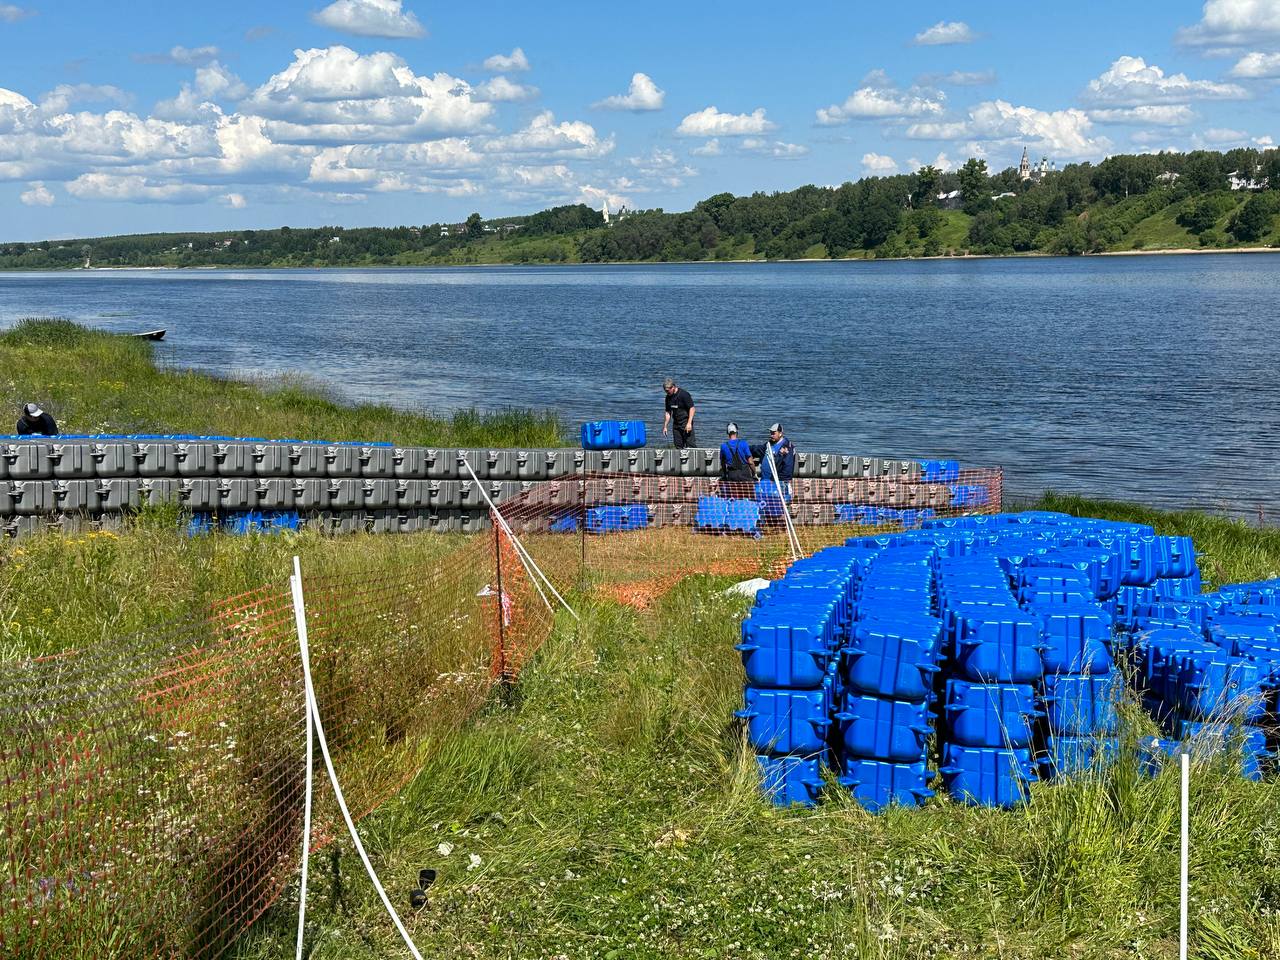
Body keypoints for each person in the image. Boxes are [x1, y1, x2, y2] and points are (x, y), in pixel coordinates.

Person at [719, 422, 755, 498]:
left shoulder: (723, 446)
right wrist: (754, 473)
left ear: (727, 433)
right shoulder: (743, 444)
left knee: (734, 496)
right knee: (748, 495)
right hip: (744, 473)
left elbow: (722, 463)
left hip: (732, 474)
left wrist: (725, 475)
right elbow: (750, 462)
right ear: (737, 431)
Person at [661, 377, 696, 449]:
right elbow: (668, 412)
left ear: (673, 387)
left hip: (685, 422)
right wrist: (665, 426)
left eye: (668, 391)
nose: (667, 393)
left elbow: (692, 409)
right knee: (678, 445)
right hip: (676, 424)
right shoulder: (668, 397)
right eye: (665, 391)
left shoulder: (684, 394)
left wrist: (689, 423)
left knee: (690, 445)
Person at [759, 422, 795, 491]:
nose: (771, 435)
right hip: (765, 481)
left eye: (773, 433)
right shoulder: (769, 444)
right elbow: (758, 449)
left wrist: (781, 483)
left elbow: (788, 467)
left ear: (780, 434)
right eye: (770, 433)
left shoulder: (787, 447)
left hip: (777, 483)